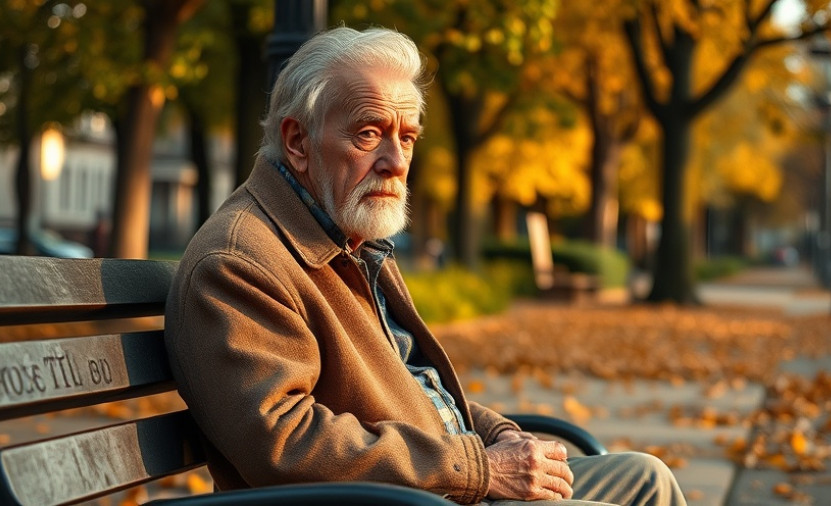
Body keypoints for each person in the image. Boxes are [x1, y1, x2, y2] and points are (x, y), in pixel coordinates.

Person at [164, 26, 687, 506]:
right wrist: (480, 468)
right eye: (369, 133)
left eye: (407, 137)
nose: (395, 160)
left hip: (433, 485)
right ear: (298, 141)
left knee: (647, 476)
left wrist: (497, 434)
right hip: (397, 499)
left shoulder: (345, 238)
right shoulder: (238, 262)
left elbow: (413, 388)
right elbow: (286, 445)